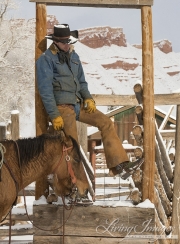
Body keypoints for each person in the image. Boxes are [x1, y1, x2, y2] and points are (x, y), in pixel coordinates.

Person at [36, 23, 143, 178]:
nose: (67, 45)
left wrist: (88, 98)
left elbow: (82, 82)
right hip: (61, 108)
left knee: (105, 122)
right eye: (64, 42)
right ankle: (75, 185)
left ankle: (120, 166)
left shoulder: (74, 56)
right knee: (74, 144)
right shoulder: (46, 60)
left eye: (69, 41)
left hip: (77, 104)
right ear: (56, 42)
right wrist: (54, 114)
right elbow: (45, 91)